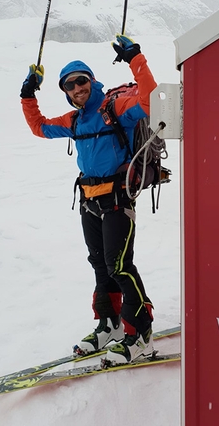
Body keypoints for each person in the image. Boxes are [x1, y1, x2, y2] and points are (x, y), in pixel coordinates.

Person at [20, 35, 155, 364]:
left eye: (81, 81)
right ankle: (109, 324)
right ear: (66, 92)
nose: (77, 89)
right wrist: (28, 93)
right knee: (100, 266)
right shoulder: (74, 120)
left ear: (92, 81)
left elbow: (151, 100)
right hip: (89, 200)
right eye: (70, 86)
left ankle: (141, 334)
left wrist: (135, 57)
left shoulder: (114, 108)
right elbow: (39, 127)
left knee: (119, 266)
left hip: (118, 197)